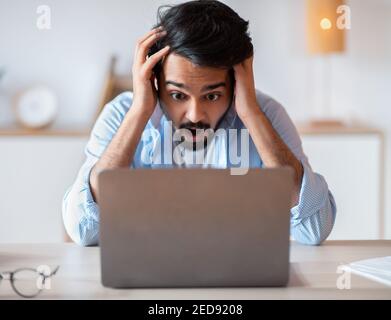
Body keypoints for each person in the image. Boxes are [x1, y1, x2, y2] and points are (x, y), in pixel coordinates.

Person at [62, 0, 336, 246]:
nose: (194, 115)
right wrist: (138, 113)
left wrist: (251, 113)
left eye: (212, 95)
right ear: (154, 82)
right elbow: (84, 231)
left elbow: (314, 229)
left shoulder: (266, 114)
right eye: (178, 95)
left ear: (237, 82)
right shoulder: (122, 114)